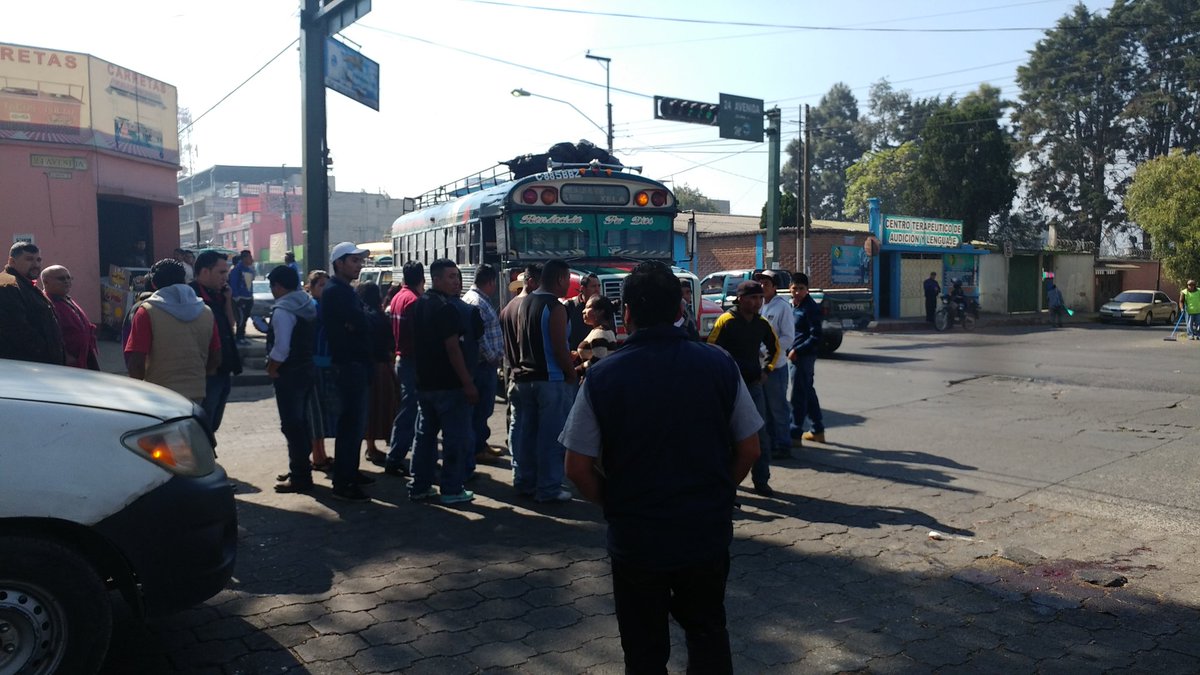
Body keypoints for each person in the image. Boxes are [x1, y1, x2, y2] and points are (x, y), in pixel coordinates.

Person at [561, 260, 762, 675]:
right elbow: (750, 449)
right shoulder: (719, 364)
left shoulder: (602, 376)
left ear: (628, 313)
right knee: (707, 635)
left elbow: (577, 467)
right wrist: (719, 492)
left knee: (644, 650)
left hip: (637, 537)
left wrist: (615, 504)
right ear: (679, 311)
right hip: (703, 532)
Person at [408, 259, 479, 505]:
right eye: (450, 277)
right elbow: (453, 348)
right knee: (455, 438)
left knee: (425, 436)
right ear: (436, 279)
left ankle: (420, 485)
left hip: (424, 383)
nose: (456, 281)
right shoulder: (446, 309)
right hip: (449, 385)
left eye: (457, 276)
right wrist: (467, 382)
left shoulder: (419, 305)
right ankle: (451, 488)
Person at [510, 258, 578, 503]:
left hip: (525, 379)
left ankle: (525, 481)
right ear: (560, 278)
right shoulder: (555, 307)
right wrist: (571, 375)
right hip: (551, 379)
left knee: (527, 435)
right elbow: (560, 348)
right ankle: (549, 488)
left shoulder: (524, 302)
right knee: (551, 438)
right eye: (567, 278)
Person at [707, 280, 779, 496]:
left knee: (760, 435)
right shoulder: (726, 320)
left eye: (760, 298)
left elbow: (775, 348)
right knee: (727, 437)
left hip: (754, 387)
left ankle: (761, 480)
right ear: (740, 299)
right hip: (729, 388)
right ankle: (726, 482)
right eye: (753, 298)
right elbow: (711, 349)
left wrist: (767, 370)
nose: (757, 302)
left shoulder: (762, 323)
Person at [322, 242, 377, 502]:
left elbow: (365, 321)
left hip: (356, 363)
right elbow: (362, 321)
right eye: (354, 260)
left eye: (360, 261)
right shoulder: (336, 292)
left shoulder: (346, 290)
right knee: (350, 426)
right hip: (348, 365)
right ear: (339, 263)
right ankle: (343, 483)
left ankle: (351, 472)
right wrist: (362, 321)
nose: (359, 265)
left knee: (356, 425)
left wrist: (363, 321)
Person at [124, 259, 221, 402]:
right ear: (183, 280)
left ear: (154, 284)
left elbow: (136, 362)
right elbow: (216, 357)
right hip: (196, 395)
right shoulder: (205, 311)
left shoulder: (146, 311)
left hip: (157, 394)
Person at [265, 265, 319, 494]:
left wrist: (272, 368)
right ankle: (300, 466)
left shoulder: (283, 310)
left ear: (278, 286)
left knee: (291, 426)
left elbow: (282, 347)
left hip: (289, 373)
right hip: (307, 369)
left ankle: (300, 476)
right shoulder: (306, 303)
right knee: (302, 423)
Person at [191, 250, 243, 432]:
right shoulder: (192, 296)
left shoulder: (220, 294)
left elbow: (230, 325)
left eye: (226, 272)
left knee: (214, 421)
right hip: (207, 370)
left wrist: (227, 300)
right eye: (221, 272)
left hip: (224, 366)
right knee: (204, 419)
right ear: (205, 272)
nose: (225, 277)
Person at [383, 261, 425, 477]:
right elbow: (420, 338)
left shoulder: (399, 297)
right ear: (422, 278)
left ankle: (407, 454)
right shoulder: (414, 301)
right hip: (412, 362)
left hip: (401, 358)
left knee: (408, 410)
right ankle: (396, 457)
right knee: (409, 412)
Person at [462, 264, 505, 466]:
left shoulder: (478, 300)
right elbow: (478, 338)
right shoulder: (477, 303)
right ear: (490, 282)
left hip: (484, 364)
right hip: (481, 365)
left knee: (483, 409)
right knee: (480, 409)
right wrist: (491, 357)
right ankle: (477, 448)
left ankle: (481, 443)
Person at [0, 242, 65, 365]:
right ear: (12, 262)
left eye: (38, 260)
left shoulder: (24, 284)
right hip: (25, 367)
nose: (36, 265)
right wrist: (46, 353)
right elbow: (17, 330)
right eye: (29, 259)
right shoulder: (7, 286)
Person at [754, 269, 795, 461]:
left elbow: (788, 337)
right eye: (760, 283)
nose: (762, 287)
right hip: (759, 366)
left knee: (778, 408)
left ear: (775, 287)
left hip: (775, 367)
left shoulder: (782, 307)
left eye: (766, 284)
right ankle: (770, 444)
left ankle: (784, 445)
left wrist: (771, 351)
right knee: (765, 409)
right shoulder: (760, 305)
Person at [358, 282, 398, 464]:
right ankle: (372, 448)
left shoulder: (363, 314)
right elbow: (390, 342)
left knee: (371, 408)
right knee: (381, 406)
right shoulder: (379, 316)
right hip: (381, 365)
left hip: (368, 364)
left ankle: (370, 445)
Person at [789, 272, 826, 447]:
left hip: (804, 357)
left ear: (807, 290)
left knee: (798, 395)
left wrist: (797, 349)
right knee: (808, 392)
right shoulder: (795, 305)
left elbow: (816, 336)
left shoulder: (810, 308)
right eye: (794, 288)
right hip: (795, 355)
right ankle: (817, 430)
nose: (797, 292)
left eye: (801, 289)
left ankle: (795, 433)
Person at [39, 265, 98, 370]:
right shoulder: (46, 303)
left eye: (68, 278)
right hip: (67, 364)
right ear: (46, 282)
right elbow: (50, 335)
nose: (66, 281)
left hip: (84, 357)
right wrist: (66, 356)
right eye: (61, 278)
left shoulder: (65, 298)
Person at [306, 270, 333, 471]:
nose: (324, 289)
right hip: (316, 364)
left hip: (326, 364)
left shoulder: (323, 306)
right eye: (321, 285)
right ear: (312, 287)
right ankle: (317, 455)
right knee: (315, 412)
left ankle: (321, 452)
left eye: (326, 285)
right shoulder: (314, 307)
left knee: (322, 412)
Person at [576, 295, 617, 375]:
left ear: (600, 312)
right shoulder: (604, 331)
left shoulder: (599, 333)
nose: (583, 311)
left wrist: (577, 370)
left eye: (588, 307)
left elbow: (599, 360)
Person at [566, 273, 600, 349]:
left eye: (599, 286)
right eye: (593, 286)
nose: (597, 289)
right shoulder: (569, 306)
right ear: (583, 289)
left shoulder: (603, 307)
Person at [229, 250, 255, 344]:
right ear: (244, 258)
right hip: (241, 299)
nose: (251, 259)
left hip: (248, 298)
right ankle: (239, 337)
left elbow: (249, 284)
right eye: (249, 257)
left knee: (245, 317)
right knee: (241, 318)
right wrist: (237, 298)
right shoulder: (237, 269)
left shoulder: (249, 269)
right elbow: (233, 284)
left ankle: (242, 336)